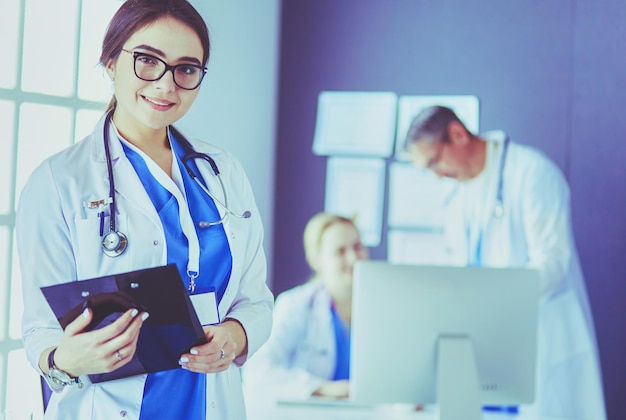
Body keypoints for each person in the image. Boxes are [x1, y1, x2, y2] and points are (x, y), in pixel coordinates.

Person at [15, 1, 273, 419]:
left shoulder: (224, 172)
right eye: (148, 61)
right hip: (108, 405)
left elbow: (256, 300)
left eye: (186, 69)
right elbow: (40, 330)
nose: (166, 85)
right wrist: (64, 361)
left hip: (210, 401)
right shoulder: (59, 181)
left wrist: (236, 335)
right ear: (111, 60)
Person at [403, 105, 606, 419]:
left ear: (457, 134)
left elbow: (554, 261)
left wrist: (494, 298)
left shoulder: (531, 173)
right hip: (486, 344)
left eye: (435, 161)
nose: (437, 174)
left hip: (539, 336)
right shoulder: (456, 195)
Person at [242, 212, 368, 406]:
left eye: (357, 247)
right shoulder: (296, 305)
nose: (353, 258)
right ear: (316, 260)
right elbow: (257, 371)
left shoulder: (380, 309)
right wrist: (323, 388)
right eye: (340, 251)